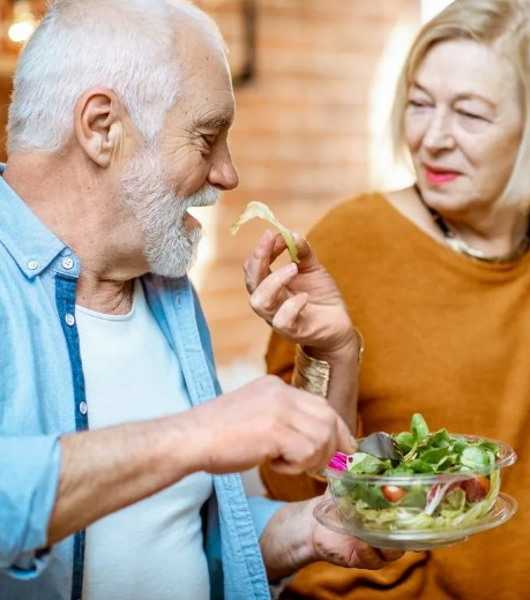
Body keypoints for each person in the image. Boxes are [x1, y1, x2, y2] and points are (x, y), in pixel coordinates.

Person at [253, 1, 530, 598]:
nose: (432, 138)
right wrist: (332, 358)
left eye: (470, 113)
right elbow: (300, 490)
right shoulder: (347, 241)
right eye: (419, 103)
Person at [0, 1, 400, 598]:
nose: (228, 174)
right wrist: (196, 435)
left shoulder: (165, 292)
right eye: (208, 137)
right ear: (102, 126)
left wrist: (311, 531)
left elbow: (177, 539)